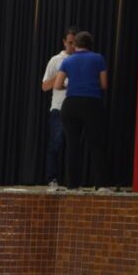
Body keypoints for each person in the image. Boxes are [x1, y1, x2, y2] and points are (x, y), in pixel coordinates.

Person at [54, 31, 110, 191]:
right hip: (92, 103)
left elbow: (57, 85)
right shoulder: (98, 58)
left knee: (72, 146)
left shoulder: (67, 60)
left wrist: (72, 85)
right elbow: (104, 85)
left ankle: (73, 186)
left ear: (75, 45)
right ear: (90, 44)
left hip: (71, 104)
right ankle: (101, 185)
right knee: (96, 145)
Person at [40, 27, 78, 192]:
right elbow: (44, 86)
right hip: (59, 108)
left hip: (77, 108)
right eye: (70, 43)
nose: (73, 46)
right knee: (56, 144)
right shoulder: (56, 60)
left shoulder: (82, 59)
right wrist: (61, 73)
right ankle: (52, 179)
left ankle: (74, 182)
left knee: (75, 145)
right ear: (64, 42)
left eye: (75, 43)